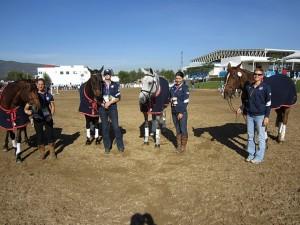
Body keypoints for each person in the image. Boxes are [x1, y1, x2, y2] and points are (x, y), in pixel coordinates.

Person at [237, 68, 271, 164]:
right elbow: (247, 100)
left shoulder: (266, 87)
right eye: (255, 74)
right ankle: (251, 154)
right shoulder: (249, 87)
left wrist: (267, 116)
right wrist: (241, 107)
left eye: (259, 74)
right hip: (250, 115)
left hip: (260, 116)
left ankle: (259, 157)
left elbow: (268, 103)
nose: (256, 76)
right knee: (250, 136)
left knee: (260, 137)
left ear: (262, 76)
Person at [24, 78, 56, 159]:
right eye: (39, 84)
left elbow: (52, 106)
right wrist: (28, 112)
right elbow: (26, 108)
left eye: (42, 84)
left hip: (47, 117)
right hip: (37, 118)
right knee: (39, 135)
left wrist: (51, 115)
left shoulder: (49, 95)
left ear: (44, 85)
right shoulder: (33, 95)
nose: (41, 86)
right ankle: (42, 153)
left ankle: (52, 152)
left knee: (50, 134)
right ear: (37, 85)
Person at [99, 68, 124, 153]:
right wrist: (103, 104)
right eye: (105, 74)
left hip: (112, 107)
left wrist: (109, 103)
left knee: (116, 127)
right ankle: (107, 147)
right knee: (105, 127)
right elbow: (97, 98)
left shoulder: (115, 85)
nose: (107, 75)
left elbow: (118, 97)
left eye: (108, 74)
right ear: (104, 75)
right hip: (102, 108)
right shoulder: (100, 85)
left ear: (110, 75)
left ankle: (120, 146)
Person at [170, 71, 189, 152]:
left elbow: (186, 101)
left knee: (183, 129)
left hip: (182, 112)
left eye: (179, 78)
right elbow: (168, 98)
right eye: (176, 78)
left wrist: (181, 112)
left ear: (182, 79)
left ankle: (183, 146)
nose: (177, 80)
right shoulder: (172, 88)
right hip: (173, 111)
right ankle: (178, 146)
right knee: (177, 129)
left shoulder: (185, 88)